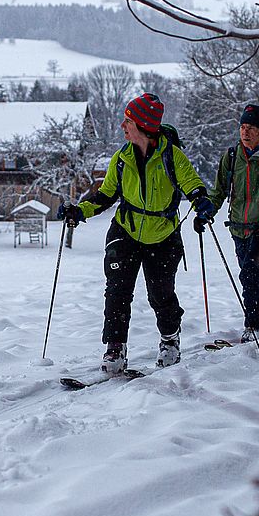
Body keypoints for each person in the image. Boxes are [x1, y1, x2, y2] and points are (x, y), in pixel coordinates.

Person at [59, 93, 209, 373]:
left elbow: (193, 184)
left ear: (142, 126)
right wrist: (79, 211)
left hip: (163, 236)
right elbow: (104, 196)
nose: (122, 126)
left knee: (160, 294)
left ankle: (169, 340)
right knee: (117, 291)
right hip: (126, 231)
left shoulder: (171, 156)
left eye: (127, 121)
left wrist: (202, 202)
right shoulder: (121, 158)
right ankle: (115, 348)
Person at [192, 104, 259, 342]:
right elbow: (218, 192)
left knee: (249, 274)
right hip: (238, 226)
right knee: (250, 275)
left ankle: (254, 325)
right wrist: (205, 214)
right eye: (242, 127)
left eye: (250, 128)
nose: (245, 132)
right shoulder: (231, 157)